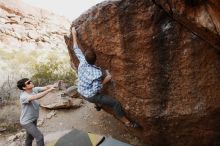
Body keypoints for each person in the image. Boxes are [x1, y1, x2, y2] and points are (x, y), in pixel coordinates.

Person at [71, 27, 139, 128]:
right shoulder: (97, 74)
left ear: (85, 57)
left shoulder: (82, 62)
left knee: (95, 92)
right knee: (115, 103)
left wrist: (74, 34)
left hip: (81, 90)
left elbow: (75, 47)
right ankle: (128, 123)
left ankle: (97, 105)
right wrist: (105, 80)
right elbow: (96, 90)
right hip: (90, 95)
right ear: (95, 60)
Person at [17, 78, 56, 146]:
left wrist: (53, 85)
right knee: (39, 137)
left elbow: (45, 87)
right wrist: (49, 90)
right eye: (28, 83)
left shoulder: (34, 89)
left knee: (30, 137)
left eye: (30, 81)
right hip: (26, 122)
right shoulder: (23, 96)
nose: (31, 82)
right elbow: (36, 97)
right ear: (24, 87)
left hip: (33, 119)